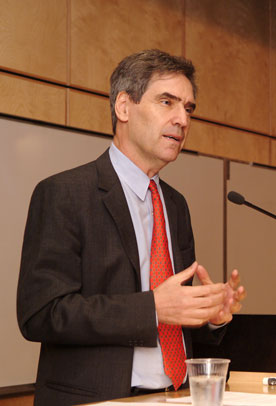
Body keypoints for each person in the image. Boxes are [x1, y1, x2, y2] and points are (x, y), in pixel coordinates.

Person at [17, 49, 245, 406]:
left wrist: (209, 317)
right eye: (166, 102)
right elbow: (41, 314)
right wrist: (153, 308)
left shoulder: (176, 205)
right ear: (123, 107)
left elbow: (174, 324)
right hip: (97, 399)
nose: (182, 120)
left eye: (188, 108)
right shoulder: (64, 193)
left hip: (177, 396)